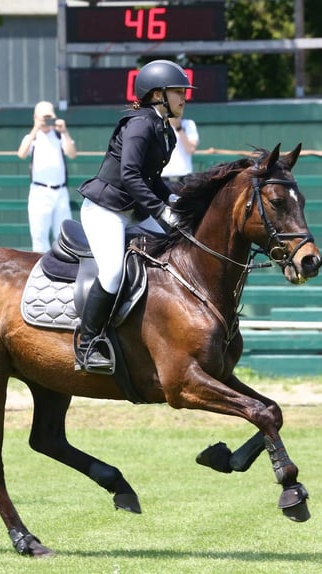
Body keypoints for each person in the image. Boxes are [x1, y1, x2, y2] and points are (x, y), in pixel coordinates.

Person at [74, 59, 195, 373]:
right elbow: (129, 175)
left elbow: (152, 178)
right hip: (106, 211)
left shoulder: (163, 128)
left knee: (178, 243)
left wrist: (176, 200)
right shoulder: (140, 124)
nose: (184, 97)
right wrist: (161, 210)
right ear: (157, 94)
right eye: (178, 91)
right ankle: (87, 346)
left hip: (132, 211)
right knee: (112, 271)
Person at [17, 100, 78, 252]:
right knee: (39, 237)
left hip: (60, 192)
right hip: (40, 191)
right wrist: (35, 128)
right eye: (43, 117)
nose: (46, 121)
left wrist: (64, 131)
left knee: (63, 234)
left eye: (49, 116)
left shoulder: (58, 135)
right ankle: (40, 270)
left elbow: (72, 153)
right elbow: (22, 153)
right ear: (35, 117)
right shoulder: (33, 137)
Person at [161, 115, 199, 189]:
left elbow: (190, 149)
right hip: (164, 179)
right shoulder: (159, 124)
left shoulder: (188, 124)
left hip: (184, 178)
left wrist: (179, 128)